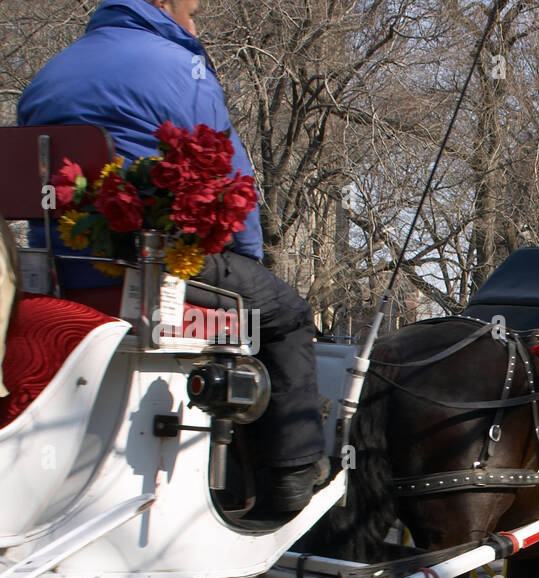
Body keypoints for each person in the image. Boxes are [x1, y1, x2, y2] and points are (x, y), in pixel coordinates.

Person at [18, 0, 327, 513]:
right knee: (289, 315)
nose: (196, 18)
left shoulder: (51, 72)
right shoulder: (180, 68)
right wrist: (250, 264)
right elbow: (230, 183)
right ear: (162, 3)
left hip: (54, 276)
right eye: (193, 9)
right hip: (152, 272)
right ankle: (293, 478)